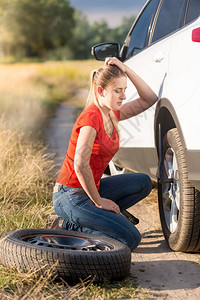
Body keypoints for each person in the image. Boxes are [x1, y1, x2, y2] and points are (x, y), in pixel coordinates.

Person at [49, 57, 158, 251]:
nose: (124, 96)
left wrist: (125, 69)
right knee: (131, 239)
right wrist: (99, 202)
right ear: (101, 91)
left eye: (124, 90)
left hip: (92, 188)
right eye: (118, 91)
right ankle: (65, 226)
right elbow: (80, 165)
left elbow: (150, 99)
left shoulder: (111, 114)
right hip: (70, 195)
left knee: (143, 182)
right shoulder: (91, 118)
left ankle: (99, 220)